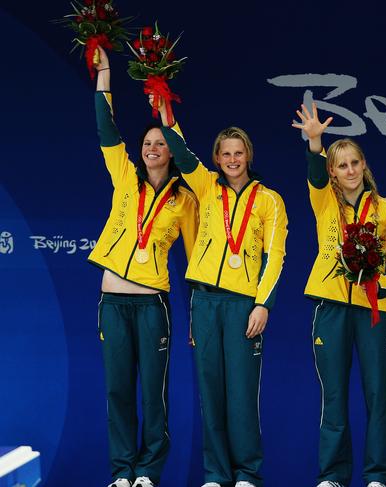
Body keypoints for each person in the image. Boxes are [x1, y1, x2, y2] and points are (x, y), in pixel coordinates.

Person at [156, 98, 288, 487]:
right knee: (210, 392)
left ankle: (247, 473)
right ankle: (216, 473)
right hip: (204, 301)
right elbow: (179, 151)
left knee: (242, 393)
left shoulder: (269, 200)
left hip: (243, 305)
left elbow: (275, 258)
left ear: (248, 155)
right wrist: (166, 114)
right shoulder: (205, 186)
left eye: (238, 152)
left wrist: (263, 304)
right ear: (216, 157)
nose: (232, 159)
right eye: (225, 153)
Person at [88, 46, 199, 487]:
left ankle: (149, 471)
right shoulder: (124, 176)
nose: (153, 148)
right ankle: (121, 472)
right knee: (117, 391)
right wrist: (106, 74)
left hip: (154, 304)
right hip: (112, 301)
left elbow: (196, 261)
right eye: (147, 143)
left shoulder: (184, 200)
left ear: (171, 151)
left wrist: (193, 317)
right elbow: (104, 125)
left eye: (160, 143)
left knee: (153, 394)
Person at [292, 103, 386, 487]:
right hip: (330, 306)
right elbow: (313, 171)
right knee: (334, 397)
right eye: (341, 165)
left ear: (364, 166)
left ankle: (378, 475)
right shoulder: (324, 200)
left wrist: (378, 281)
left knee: (379, 397)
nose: (350, 170)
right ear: (333, 172)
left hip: (374, 310)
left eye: (355, 163)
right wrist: (315, 141)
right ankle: (333, 476)